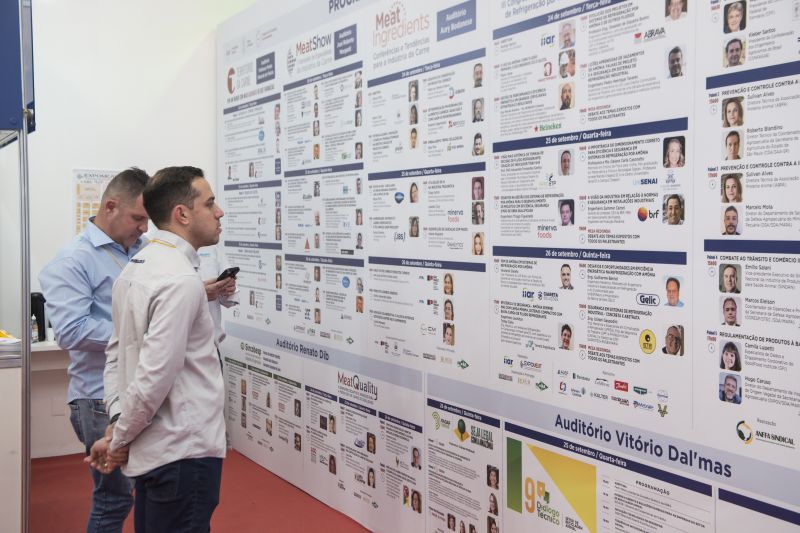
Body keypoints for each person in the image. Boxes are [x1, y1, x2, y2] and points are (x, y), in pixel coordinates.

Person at [88, 166, 227, 532]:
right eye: (209, 203)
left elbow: (116, 357)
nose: (219, 212)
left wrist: (117, 426)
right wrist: (118, 438)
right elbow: (154, 376)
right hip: (184, 452)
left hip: (157, 451)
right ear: (182, 214)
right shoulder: (180, 279)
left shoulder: (136, 268)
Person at [39, 168, 151, 531]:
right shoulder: (73, 259)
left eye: (147, 220)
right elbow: (71, 330)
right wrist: (143, 334)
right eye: (138, 218)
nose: (144, 228)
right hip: (98, 396)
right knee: (114, 499)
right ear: (110, 207)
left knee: (149, 489)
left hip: (140, 388)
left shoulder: (143, 250)